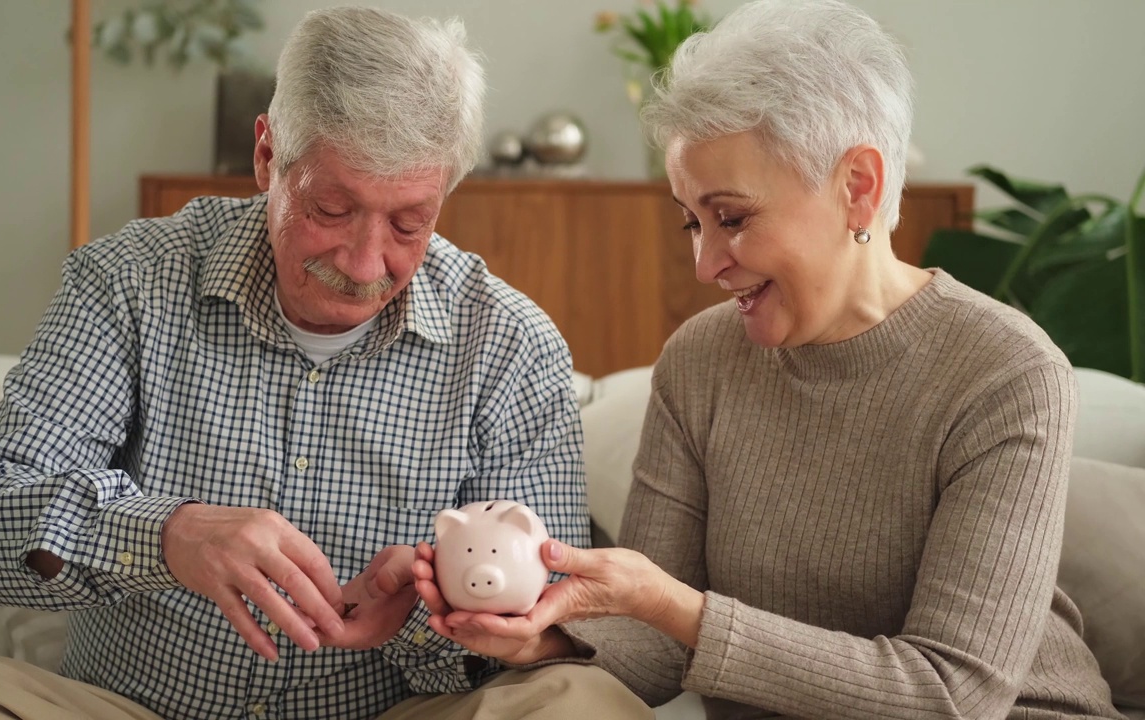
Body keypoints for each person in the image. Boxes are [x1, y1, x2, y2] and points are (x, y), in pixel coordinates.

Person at [0, 7, 652, 720]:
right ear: (266, 155)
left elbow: (551, 628)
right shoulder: (129, 281)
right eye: (331, 210)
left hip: (380, 716)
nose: (364, 261)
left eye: (409, 223)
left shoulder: (511, 345)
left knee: (582, 702)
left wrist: (430, 614)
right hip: (133, 708)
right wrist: (165, 534)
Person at [412, 1, 1126, 718]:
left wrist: (680, 610)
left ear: (859, 188)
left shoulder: (1005, 373)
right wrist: (536, 638)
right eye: (692, 222)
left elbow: (953, 695)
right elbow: (653, 647)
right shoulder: (700, 361)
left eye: (732, 218)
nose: (703, 264)